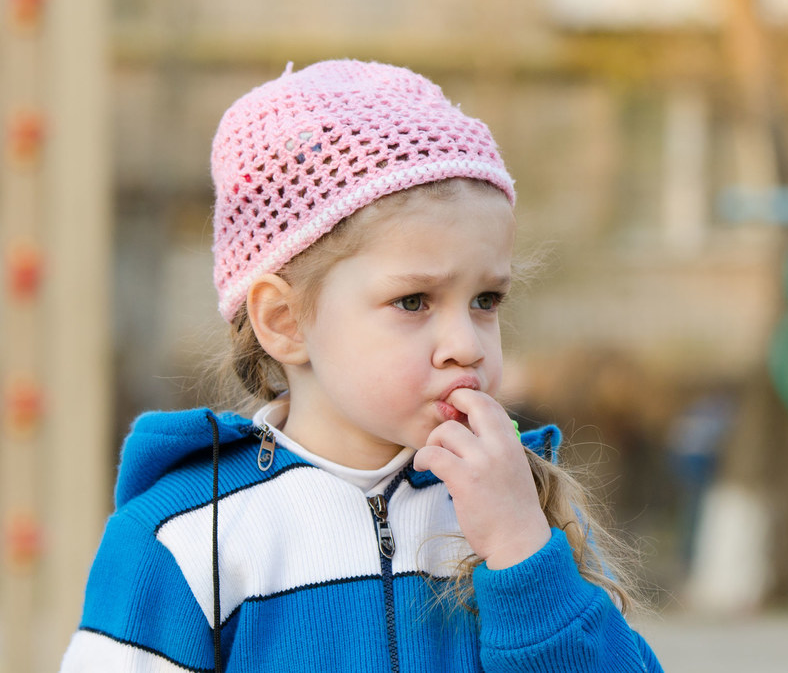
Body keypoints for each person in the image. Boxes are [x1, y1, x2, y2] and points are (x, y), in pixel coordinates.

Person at [59, 59, 662, 672]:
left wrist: (521, 553)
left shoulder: (517, 507)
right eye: (413, 301)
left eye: (486, 300)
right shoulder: (186, 536)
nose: (467, 344)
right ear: (284, 322)